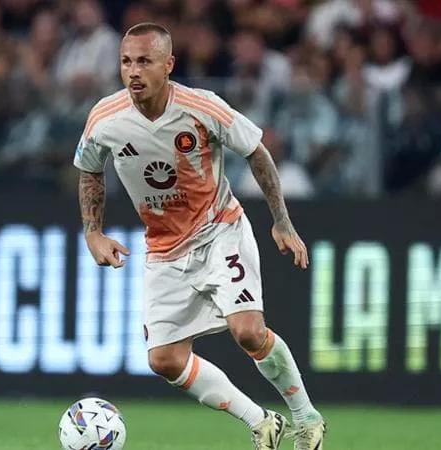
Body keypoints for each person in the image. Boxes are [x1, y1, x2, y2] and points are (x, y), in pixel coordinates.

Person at [73, 22, 325, 450]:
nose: (134, 71)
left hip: (219, 230)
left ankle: (307, 419)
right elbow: (89, 170)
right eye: (126, 62)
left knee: (248, 331)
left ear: (168, 65)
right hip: (163, 248)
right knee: (164, 360)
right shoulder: (105, 118)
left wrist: (281, 220)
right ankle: (261, 421)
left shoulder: (201, 106)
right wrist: (93, 232)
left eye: (144, 61)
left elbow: (256, 151)